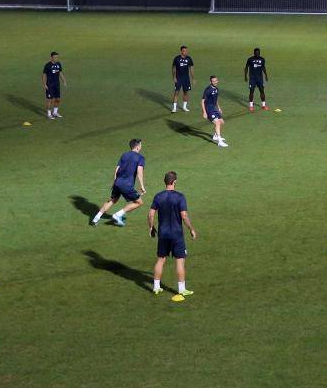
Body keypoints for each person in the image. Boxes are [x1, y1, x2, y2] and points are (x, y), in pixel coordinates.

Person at [148, 171, 198, 300]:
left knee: (161, 259)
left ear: (165, 182)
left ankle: (156, 287)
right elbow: (184, 216)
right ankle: (182, 289)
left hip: (163, 234)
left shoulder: (158, 196)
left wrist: (151, 227)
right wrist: (191, 229)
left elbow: (151, 214)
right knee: (180, 261)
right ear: (174, 182)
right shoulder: (180, 197)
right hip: (176, 234)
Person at [91, 139, 146, 225]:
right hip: (127, 185)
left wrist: (115, 181)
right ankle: (118, 215)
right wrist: (142, 186)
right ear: (138, 147)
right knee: (139, 202)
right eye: (141, 145)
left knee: (113, 200)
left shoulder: (124, 155)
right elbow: (140, 172)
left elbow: (117, 169)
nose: (141, 146)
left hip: (118, 182)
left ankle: (95, 218)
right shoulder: (140, 158)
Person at [203, 75, 228, 147]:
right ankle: (219, 141)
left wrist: (219, 108)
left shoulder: (216, 89)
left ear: (217, 81)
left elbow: (215, 99)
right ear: (210, 81)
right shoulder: (208, 90)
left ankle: (215, 136)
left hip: (214, 108)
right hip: (209, 109)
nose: (214, 82)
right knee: (217, 123)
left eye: (215, 81)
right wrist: (204, 112)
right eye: (213, 81)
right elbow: (202, 101)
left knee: (221, 122)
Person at [170, 45, 194, 112]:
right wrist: (174, 77)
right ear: (181, 51)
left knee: (186, 92)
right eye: (184, 51)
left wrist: (193, 78)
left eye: (186, 51)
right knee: (177, 92)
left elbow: (191, 68)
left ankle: (184, 107)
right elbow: (173, 68)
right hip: (178, 78)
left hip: (186, 78)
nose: (185, 52)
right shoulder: (177, 59)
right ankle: (174, 108)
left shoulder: (189, 59)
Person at [43, 51, 64, 119]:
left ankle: (55, 112)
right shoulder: (48, 65)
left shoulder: (58, 64)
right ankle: (49, 114)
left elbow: (60, 72)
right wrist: (45, 84)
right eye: (54, 57)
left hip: (57, 84)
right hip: (50, 85)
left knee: (58, 99)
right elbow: (44, 75)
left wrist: (64, 80)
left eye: (57, 57)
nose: (56, 58)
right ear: (51, 57)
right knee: (50, 100)